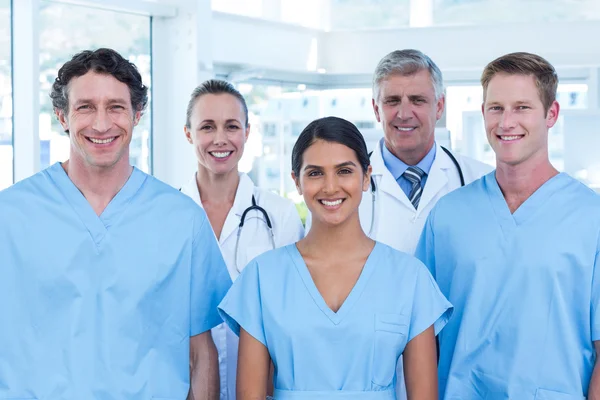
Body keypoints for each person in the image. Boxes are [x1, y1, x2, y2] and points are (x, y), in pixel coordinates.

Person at [0, 48, 231, 399]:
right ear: (62, 116)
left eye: (116, 107)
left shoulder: (182, 220)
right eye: (85, 107)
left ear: (137, 114)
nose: (102, 123)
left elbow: (201, 354)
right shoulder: (11, 215)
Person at [218, 116, 453, 400]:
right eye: (315, 173)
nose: (330, 187)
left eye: (344, 171)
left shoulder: (409, 278)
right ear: (297, 181)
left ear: (367, 177)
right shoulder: (262, 277)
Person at [416, 52, 600, 399]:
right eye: (496, 107)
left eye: (522, 107)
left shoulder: (591, 217)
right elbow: (420, 337)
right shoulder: (448, 216)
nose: (506, 121)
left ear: (551, 114)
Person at [180, 79, 304, 400]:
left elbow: (293, 319)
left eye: (231, 126)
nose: (220, 139)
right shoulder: (167, 215)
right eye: (207, 127)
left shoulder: (280, 216)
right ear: (188, 133)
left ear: (247, 132)